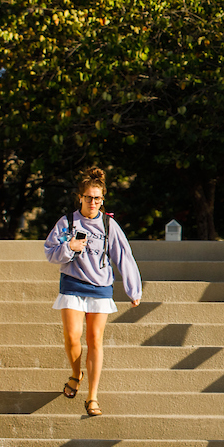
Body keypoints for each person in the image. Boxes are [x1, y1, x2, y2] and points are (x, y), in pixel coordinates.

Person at [43, 167, 142, 417]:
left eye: (98, 198)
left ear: (102, 199)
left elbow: (124, 257)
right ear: (80, 197)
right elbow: (50, 252)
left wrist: (133, 289)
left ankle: (92, 396)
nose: (93, 202)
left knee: (95, 341)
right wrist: (70, 246)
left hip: (100, 288)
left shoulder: (109, 224)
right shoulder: (67, 222)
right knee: (72, 336)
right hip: (73, 286)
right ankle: (76, 373)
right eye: (89, 197)